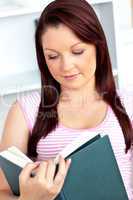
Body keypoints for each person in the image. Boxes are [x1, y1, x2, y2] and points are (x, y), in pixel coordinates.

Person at [0, 0, 133, 199]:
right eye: (53, 56)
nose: (66, 66)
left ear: (98, 46)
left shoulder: (128, 105)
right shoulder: (24, 110)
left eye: (77, 52)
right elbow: (2, 191)